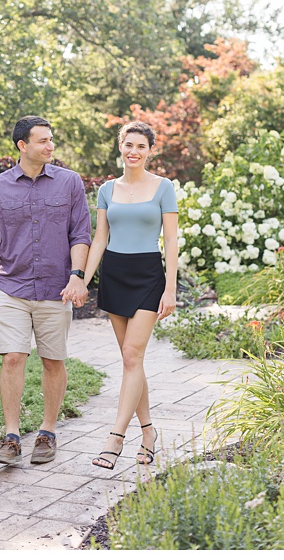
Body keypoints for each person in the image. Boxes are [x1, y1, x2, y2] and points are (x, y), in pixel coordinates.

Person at [0, 115, 92, 466]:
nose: (50, 146)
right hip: (11, 285)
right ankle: (11, 437)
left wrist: (77, 275)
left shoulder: (69, 183)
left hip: (57, 289)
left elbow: (80, 234)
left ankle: (47, 432)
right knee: (12, 357)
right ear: (23, 146)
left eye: (52, 140)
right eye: (43, 141)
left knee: (53, 361)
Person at [82, 121, 178, 470]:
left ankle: (115, 438)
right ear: (120, 147)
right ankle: (149, 433)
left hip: (149, 275)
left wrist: (170, 287)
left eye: (141, 146)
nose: (134, 152)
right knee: (130, 360)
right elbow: (100, 239)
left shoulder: (164, 187)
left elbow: (170, 240)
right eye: (128, 145)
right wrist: (82, 279)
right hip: (115, 274)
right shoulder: (107, 190)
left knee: (132, 355)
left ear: (150, 150)